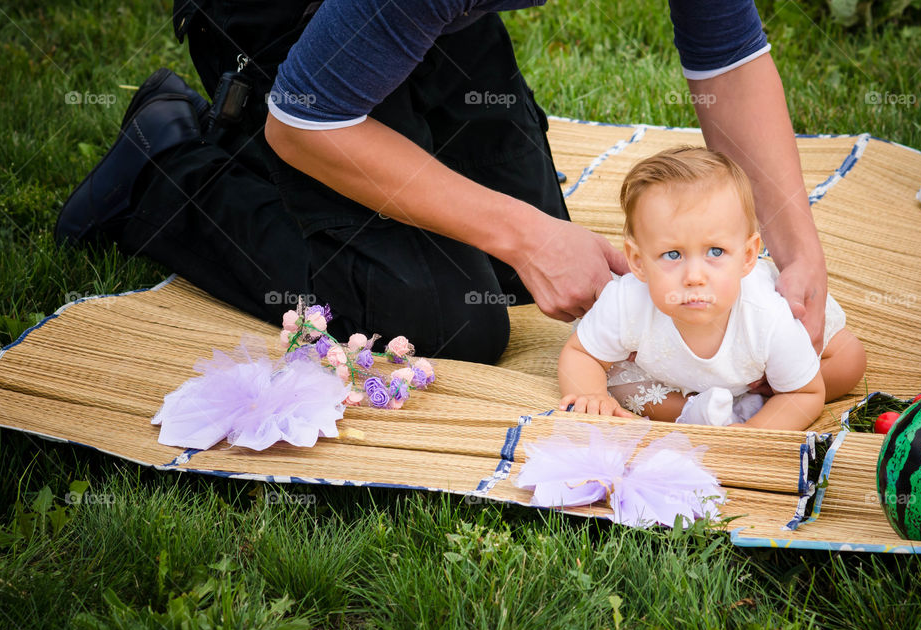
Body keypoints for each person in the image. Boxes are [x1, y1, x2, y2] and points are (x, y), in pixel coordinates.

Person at [55, 0, 830, 371]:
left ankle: (313, 146)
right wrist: (526, 236)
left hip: (414, 18)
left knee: (509, 276)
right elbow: (307, 118)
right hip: (285, 20)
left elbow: (727, 56)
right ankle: (166, 165)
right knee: (456, 315)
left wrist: (799, 251)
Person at [558, 147, 867, 430]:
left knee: (848, 362)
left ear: (748, 256)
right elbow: (581, 354)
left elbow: (806, 392)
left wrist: (756, 432)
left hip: (757, 370)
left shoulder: (768, 316)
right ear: (638, 262)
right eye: (672, 255)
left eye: (715, 252)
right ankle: (696, 411)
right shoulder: (627, 301)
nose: (694, 277)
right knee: (618, 383)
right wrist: (591, 394)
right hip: (669, 376)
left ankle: (759, 405)